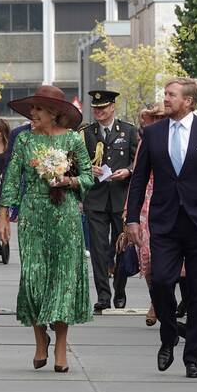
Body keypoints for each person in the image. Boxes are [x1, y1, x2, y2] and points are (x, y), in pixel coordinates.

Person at [126, 78, 197, 379]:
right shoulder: (153, 133)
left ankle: (194, 359)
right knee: (160, 280)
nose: (166, 99)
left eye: (172, 95)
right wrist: (132, 218)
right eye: (166, 94)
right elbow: (139, 178)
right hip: (164, 221)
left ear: (189, 101)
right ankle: (169, 332)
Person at [0, 85, 94, 373]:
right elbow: (12, 178)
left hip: (65, 215)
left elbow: (88, 176)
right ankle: (40, 338)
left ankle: (61, 346)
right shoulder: (24, 140)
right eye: (31, 109)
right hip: (32, 214)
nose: (33, 113)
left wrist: (69, 181)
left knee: (63, 279)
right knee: (34, 277)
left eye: (38, 109)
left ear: (54, 113)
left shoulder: (74, 140)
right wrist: (3, 214)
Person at [80, 90, 138, 312]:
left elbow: (138, 161)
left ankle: (120, 288)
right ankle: (103, 295)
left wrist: (127, 171)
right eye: (96, 108)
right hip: (95, 199)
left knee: (121, 247)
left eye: (103, 108)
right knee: (98, 249)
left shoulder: (128, 131)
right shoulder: (86, 132)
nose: (99, 112)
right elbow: (75, 161)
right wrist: (88, 169)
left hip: (120, 198)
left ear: (113, 107)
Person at [125, 102, 167, 326]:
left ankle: (166, 302)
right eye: (153, 118)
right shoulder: (145, 142)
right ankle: (155, 301)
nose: (155, 122)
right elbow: (138, 179)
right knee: (148, 258)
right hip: (147, 204)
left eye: (160, 118)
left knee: (174, 264)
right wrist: (128, 213)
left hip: (170, 202)